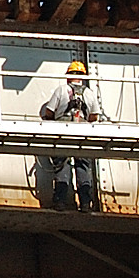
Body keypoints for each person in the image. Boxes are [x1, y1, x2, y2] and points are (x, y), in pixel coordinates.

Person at [40, 60, 100, 212]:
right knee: (83, 167)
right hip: (83, 135)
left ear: (68, 76)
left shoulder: (61, 90)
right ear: (83, 77)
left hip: (63, 133)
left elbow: (49, 112)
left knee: (62, 166)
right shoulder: (89, 93)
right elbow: (94, 116)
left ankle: (60, 202)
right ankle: (85, 203)